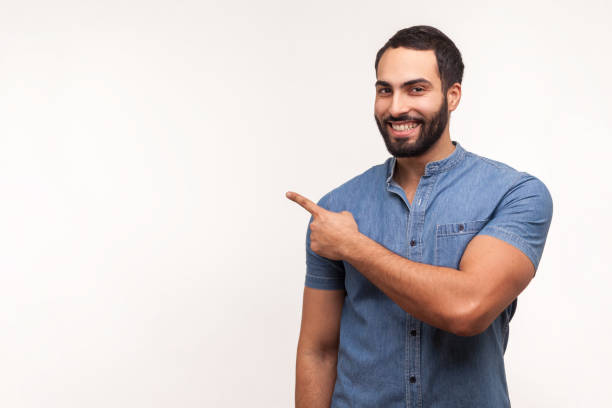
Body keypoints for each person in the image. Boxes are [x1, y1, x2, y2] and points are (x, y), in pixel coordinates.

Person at [286, 25, 553, 408]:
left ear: (453, 95)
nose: (395, 108)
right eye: (384, 90)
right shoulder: (336, 208)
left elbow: (468, 308)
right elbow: (319, 349)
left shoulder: (514, 194)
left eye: (416, 89)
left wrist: (354, 246)